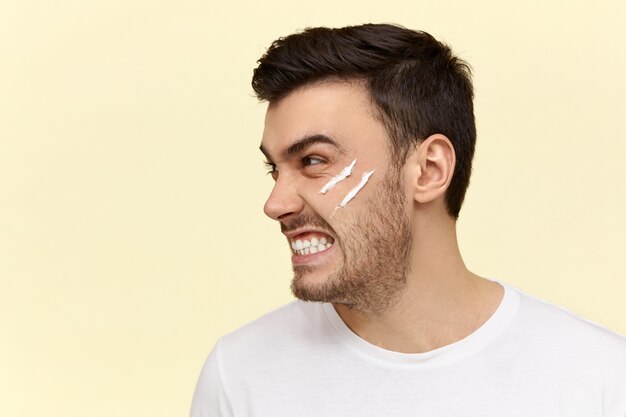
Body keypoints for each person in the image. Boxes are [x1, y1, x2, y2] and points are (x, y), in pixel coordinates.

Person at [190, 23, 626, 416]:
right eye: (275, 169)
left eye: (314, 160)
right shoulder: (241, 375)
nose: (275, 203)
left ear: (430, 170)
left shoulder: (600, 379)